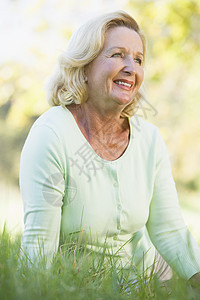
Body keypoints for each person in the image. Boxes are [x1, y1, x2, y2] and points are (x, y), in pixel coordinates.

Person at [19, 11, 200, 284]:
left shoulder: (149, 139)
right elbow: (38, 247)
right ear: (85, 66)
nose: (132, 67)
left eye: (138, 59)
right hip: (77, 288)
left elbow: (170, 231)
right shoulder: (51, 134)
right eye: (118, 55)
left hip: (146, 286)